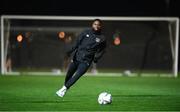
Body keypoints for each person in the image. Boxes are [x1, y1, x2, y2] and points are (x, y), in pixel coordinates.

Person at [56, 19, 106, 97]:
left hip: (86, 61)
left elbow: (102, 50)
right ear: (92, 25)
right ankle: (65, 87)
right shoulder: (85, 32)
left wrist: (97, 58)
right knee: (69, 74)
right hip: (76, 58)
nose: (96, 26)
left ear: (101, 26)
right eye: (95, 24)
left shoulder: (102, 38)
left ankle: (63, 89)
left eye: (98, 24)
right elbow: (76, 44)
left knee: (77, 75)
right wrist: (69, 52)